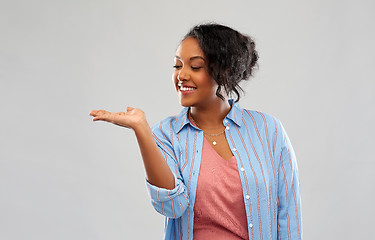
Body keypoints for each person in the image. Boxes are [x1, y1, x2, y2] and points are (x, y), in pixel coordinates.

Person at [89, 23, 302, 240]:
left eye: (196, 67)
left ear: (224, 71)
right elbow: (172, 206)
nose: (181, 75)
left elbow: (289, 214)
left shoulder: (268, 130)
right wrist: (141, 130)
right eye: (177, 66)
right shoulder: (166, 133)